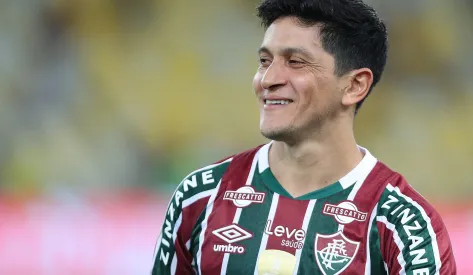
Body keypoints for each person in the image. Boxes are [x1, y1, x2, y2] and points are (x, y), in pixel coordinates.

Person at [151, 0, 457, 274]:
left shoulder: (403, 225)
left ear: (354, 86)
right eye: (264, 61)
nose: (268, 80)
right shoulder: (201, 195)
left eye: (295, 62)